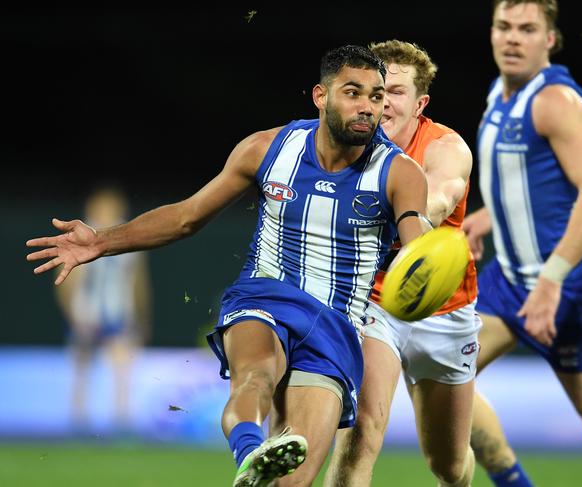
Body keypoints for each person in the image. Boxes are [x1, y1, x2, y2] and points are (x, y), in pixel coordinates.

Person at [27, 45, 433, 487]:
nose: (367, 107)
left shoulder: (399, 172)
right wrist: (101, 242)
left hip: (334, 325)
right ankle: (248, 454)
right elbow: (187, 217)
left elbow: (415, 240)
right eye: (353, 93)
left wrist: (425, 265)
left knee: (294, 482)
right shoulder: (267, 149)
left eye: (376, 97)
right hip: (265, 298)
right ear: (321, 96)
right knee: (255, 374)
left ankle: (262, 472)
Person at [463, 1, 582, 486]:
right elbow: (532, 185)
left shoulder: (554, 102)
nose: (512, 38)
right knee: (438, 371)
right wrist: (487, 219)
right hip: (509, 282)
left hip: (565, 287)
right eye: (503, 26)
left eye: (527, 29)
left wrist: (550, 282)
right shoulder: (499, 95)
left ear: (550, 40)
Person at [324, 40, 479, 487]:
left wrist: (405, 212)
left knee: (448, 465)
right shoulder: (347, 144)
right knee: (359, 434)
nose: (382, 102)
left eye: (394, 92)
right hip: (377, 303)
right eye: (375, 90)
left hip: (446, 310)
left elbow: (441, 194)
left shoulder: (445, 145)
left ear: (419, 103)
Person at [54, 185, 152, 435]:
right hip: (86, 314)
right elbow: (66, 279)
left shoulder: (128, 237)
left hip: (118, 313)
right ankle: (78, 420)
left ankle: (121, 420)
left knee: (122, 368)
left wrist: (141, 315)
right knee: (82, 367)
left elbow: (138, 280)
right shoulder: (79, 235)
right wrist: (72, 314)